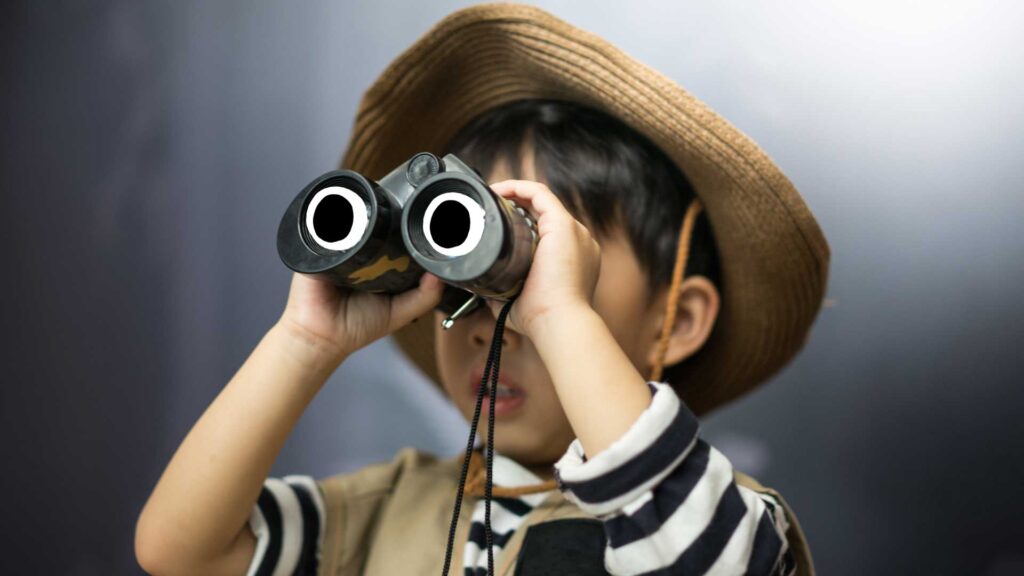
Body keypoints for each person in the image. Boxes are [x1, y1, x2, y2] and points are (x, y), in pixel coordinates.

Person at [135, 4, 829, 575]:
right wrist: (305, 341)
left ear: (676, 319)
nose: (491, 322)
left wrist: (560, 312)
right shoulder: (381, 510)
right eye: (474, 269)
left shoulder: (723, 518)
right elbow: (183, 553)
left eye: (539, 269)